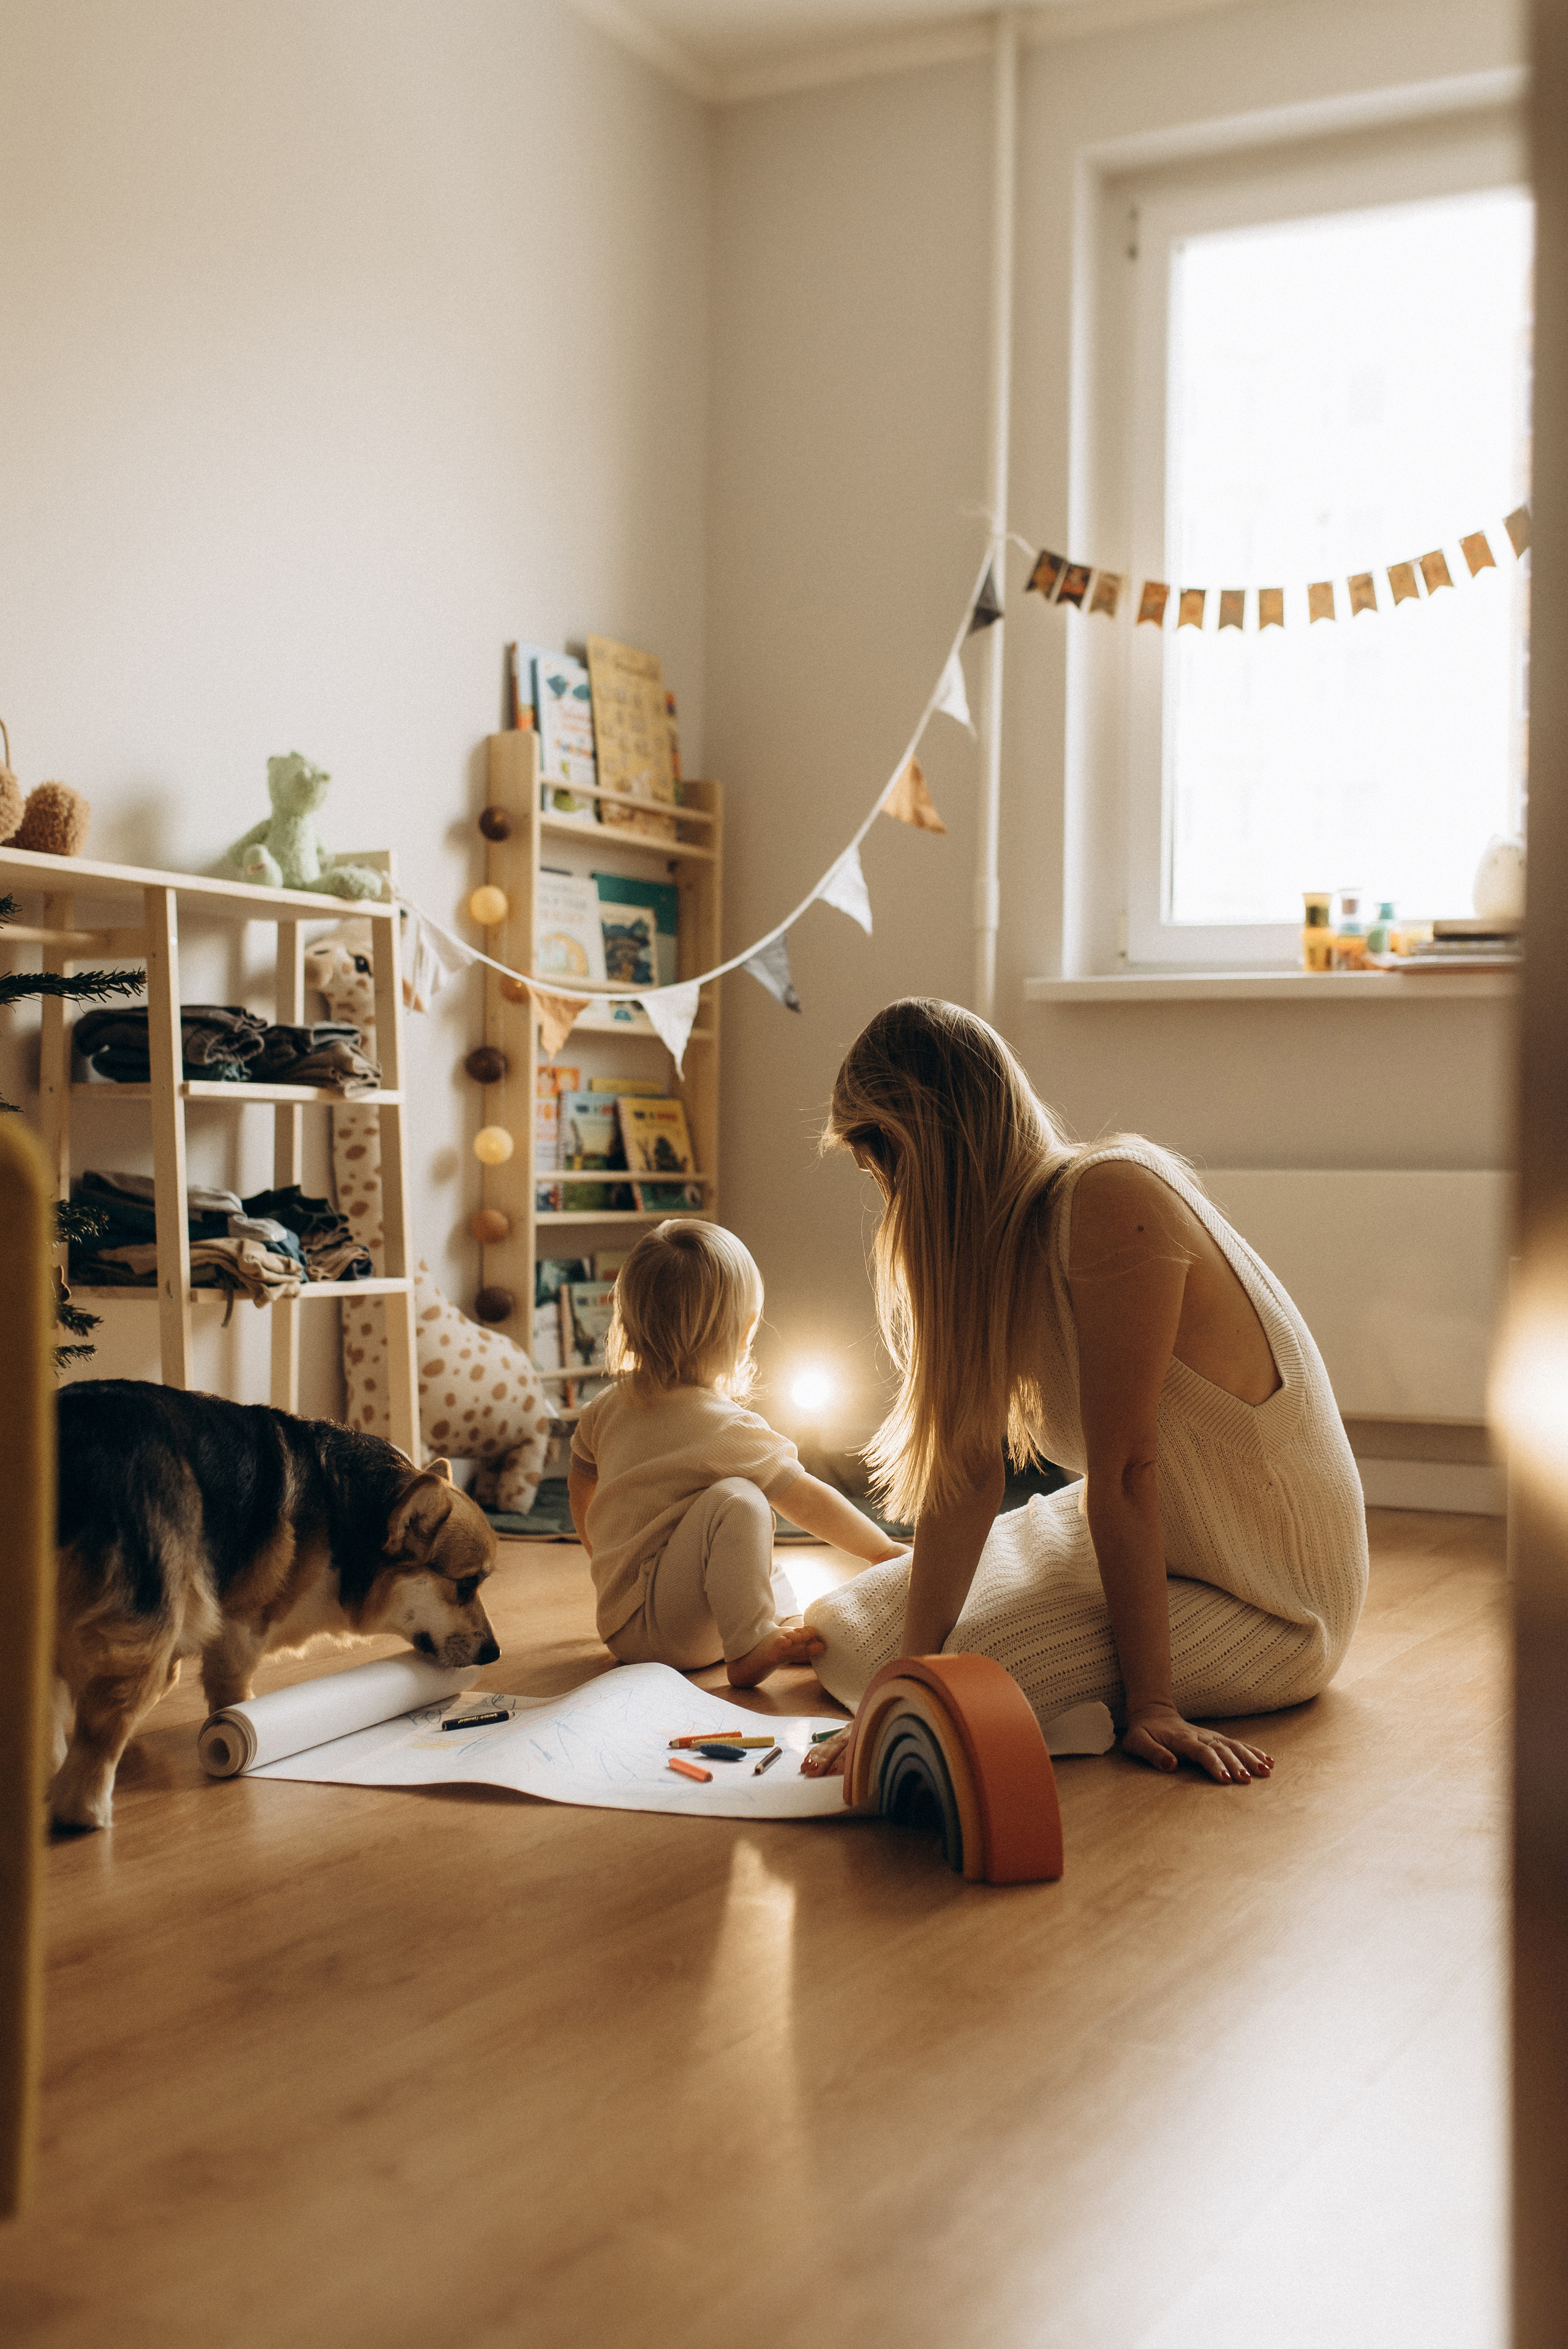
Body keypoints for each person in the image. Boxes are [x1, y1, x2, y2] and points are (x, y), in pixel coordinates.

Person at [800, 999, 1368, 1783]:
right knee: (850, 1632)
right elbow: (965, 1476)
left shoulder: (1107, 1196)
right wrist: (905, 1673)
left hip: (1267, 1589)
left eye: (885, 1173)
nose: (893, 1204)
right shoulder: (985, 1259)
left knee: (955, 1688)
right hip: (1141, 1536)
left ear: (923, 1150)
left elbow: (1128, 1468)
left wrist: (1154, 1707)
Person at [569, 1220, 908, 1687]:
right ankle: (749, 1645)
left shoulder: (604, 1408)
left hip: (621, 1626)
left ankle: (778, 1627)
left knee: (754, 1557)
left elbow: (581, 1485)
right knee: (741, 1500)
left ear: (627, 1320)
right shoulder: (725, 1426)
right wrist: (883, 1550)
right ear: (745, 1330)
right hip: (671, 1634)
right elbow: (807, 1499)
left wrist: (604, 1558)